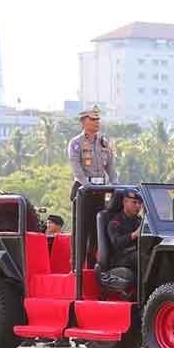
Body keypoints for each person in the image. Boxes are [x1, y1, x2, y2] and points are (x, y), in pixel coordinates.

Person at [68, 105, 117, 267]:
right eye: (93, 119)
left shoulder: (104, 142)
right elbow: (77, 170)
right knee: (81, 230)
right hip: (83, 190)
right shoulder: (76, 143)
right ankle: (76, 266)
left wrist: (115, 185)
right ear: (83, 122)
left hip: (100, 191)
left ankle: (92, 265)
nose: (97, 122)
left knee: (96, 229)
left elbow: (110, 167)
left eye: (98, 119)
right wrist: (88, 186)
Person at [107, 190, 144, 275]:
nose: (138, 206)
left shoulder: (139, 220)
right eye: (134, 202)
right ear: (125, 202)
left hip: (136, 253)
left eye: (140, 203)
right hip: (120, 258)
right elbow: (116, 243)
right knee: (141, 257)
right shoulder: (115, 222)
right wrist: (134, 235)